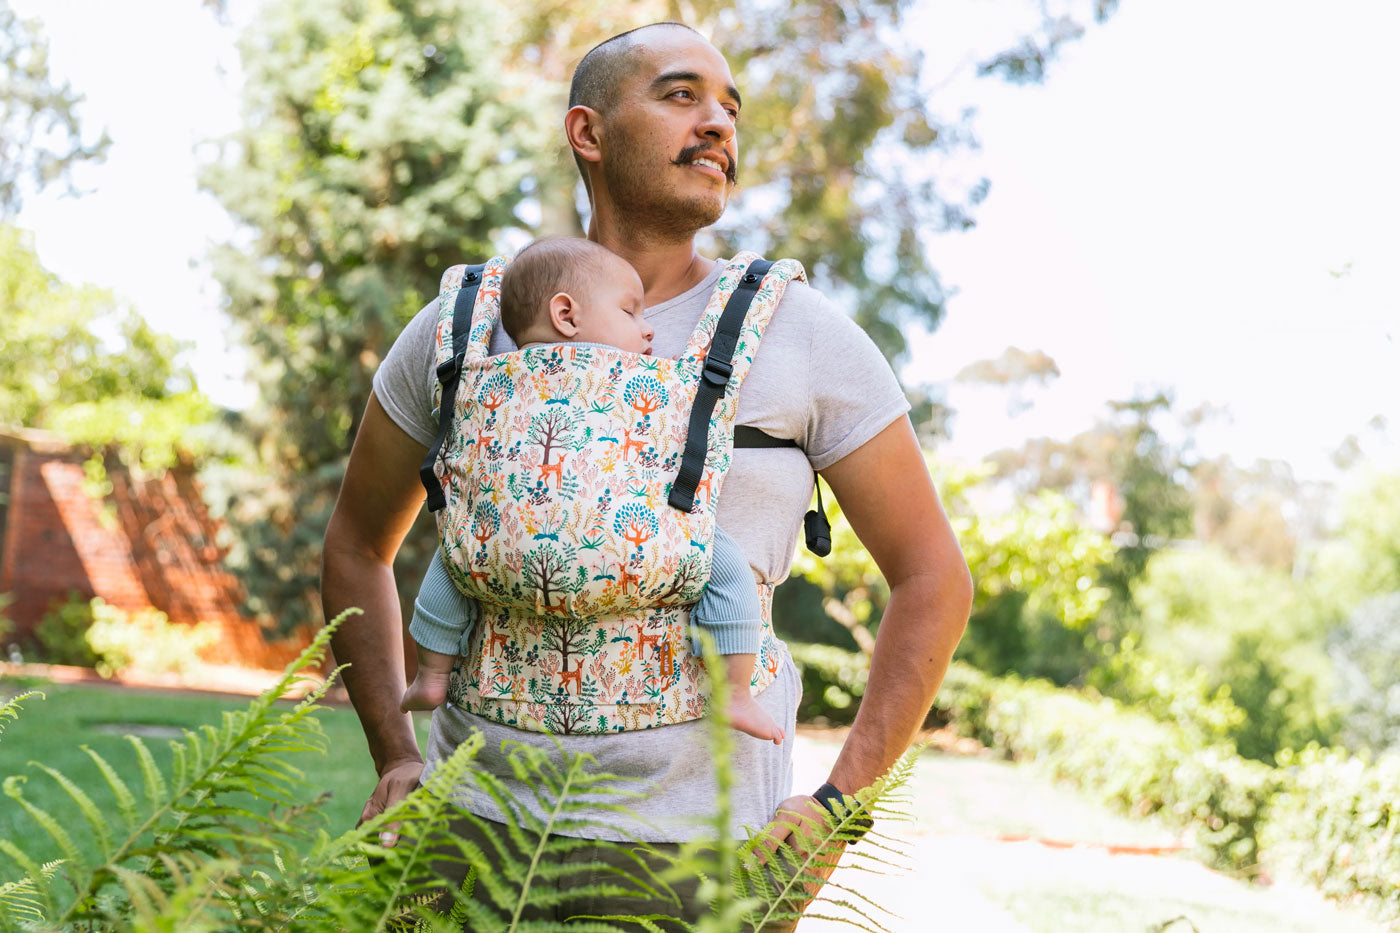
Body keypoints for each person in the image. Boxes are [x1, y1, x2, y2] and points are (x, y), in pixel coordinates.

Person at [321, 21, 972, 927]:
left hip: (701, 860)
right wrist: (396, 750)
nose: (718, 124)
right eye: (680, 95)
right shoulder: (462, 323)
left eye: (730, 108)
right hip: (462, 840)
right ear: (588, 132)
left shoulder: (804, 335)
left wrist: (836, 810)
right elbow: (355, 545)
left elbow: (934, 577)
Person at [399, 236, 785, 746]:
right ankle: (734, 692)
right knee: (727, 567)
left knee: (452, 559)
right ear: (566, 314)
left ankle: (432, 673)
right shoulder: (644, 378)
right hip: (642, 543)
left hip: (501, 540)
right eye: (630, 311)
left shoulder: (483, 375)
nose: (648, 328)